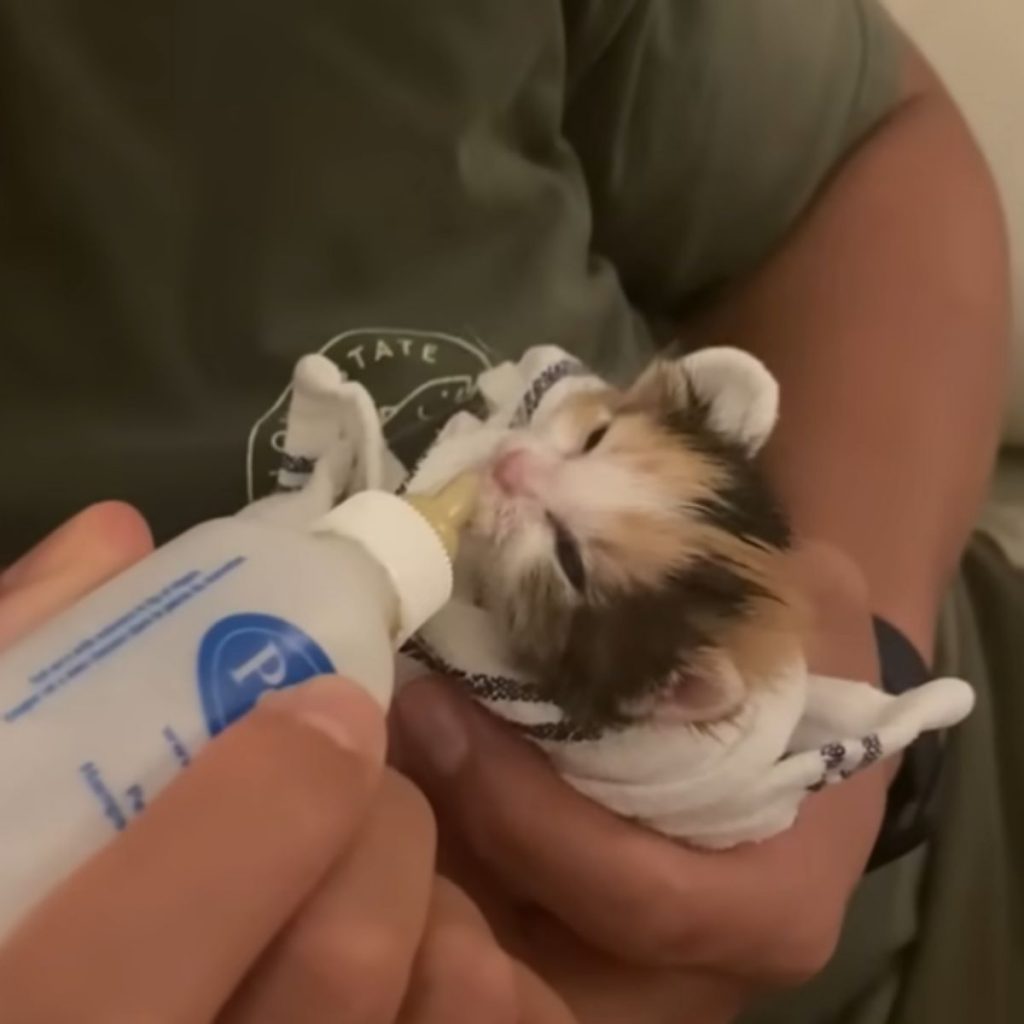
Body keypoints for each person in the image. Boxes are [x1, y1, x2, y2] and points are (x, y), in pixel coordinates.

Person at [0, 1, 1014, 1022]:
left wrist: (872, 727)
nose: (523, 468)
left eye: (591, 439)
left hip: (963, 835)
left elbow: (874, 151)